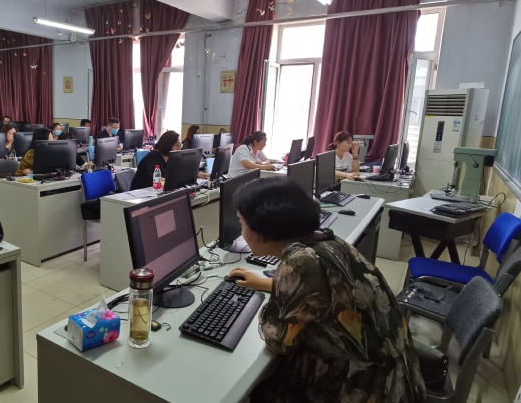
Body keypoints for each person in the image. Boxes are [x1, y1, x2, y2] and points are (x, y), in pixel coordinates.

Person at [226, 178, 426, 402]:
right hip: (397, 375)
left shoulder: (299, 265)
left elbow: (279, 341)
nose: (241, 232)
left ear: (262, 228)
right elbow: (328, 292)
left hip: (364, 387)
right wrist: (268, 284)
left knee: (257, 391)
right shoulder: (330, 242)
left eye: (242, 223)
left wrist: (266, 309)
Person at [130, 130, 210, 190]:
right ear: (167, 144)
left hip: (155, 193)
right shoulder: (153, 158)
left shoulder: (170, 158)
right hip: (141, 195)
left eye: (180, 145)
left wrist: (198, 174)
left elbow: (181, 171)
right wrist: (173, 181)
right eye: (177, 145)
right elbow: (155, 179)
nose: (179, 148)